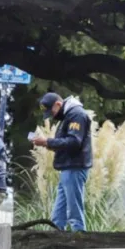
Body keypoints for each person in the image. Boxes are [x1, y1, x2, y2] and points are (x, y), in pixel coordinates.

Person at [31, 93, 93, 232]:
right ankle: (56, 232)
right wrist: (48, 143)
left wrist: (47, 141)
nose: (52, 116)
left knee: (74, 208)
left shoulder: (76, 115)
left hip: (75, 167)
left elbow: (74, 142)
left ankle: (79, 235)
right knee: (60, 209)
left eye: (51, 111)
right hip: (68, 167)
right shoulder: (68, 115)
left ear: (58, 104)